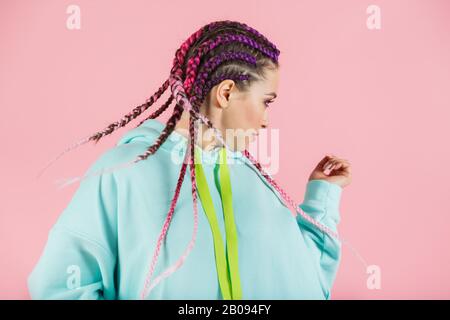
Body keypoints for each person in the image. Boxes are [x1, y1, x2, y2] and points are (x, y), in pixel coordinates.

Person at [28, 20, 352, 300]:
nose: (267, 120)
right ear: (225, 93)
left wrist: (322, 196)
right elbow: (59, 285)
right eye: (266, 101)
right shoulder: (122, 172)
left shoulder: (255, 179)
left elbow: (306, 282)